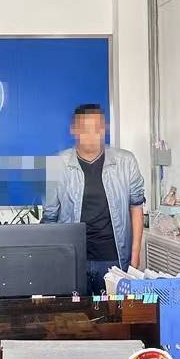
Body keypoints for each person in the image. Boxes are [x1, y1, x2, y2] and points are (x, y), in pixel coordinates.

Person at [42, 104, 145, 295]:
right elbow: (50, 217)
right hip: (71, 258)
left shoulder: (126, 162)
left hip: (113, 258)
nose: (91, 134)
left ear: (105, 129)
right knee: (74, 311)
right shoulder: (56, 165)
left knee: (112, 311)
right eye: (85, 128)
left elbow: (136, 206)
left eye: (97, 128)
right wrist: (52, 259)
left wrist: (135, 255)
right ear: (74, 129)